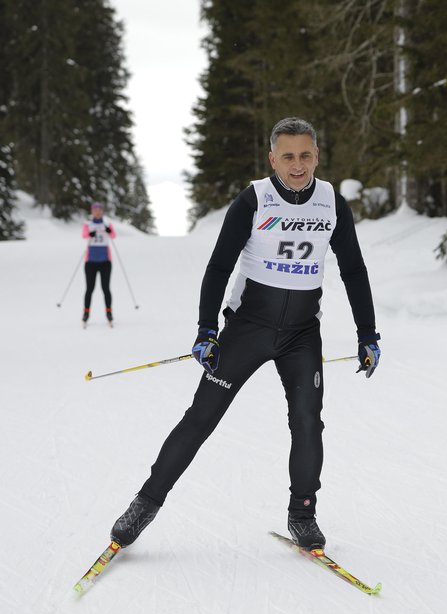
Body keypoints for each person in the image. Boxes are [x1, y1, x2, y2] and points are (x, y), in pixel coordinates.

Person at [109, 117, 381, 550]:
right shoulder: (254, 200)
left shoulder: (331, 202)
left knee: (308, 423)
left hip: (301, 335)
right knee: (201, 418)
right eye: (288, 156)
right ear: (272, 158)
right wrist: (206, 329)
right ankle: (144, 504)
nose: (297, 165)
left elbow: (354, 269)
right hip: (247, 329)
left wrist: (368, 334)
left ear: (317, 156)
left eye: (306, 155)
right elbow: (219, 266)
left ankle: (302, 514)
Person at [81, 202, 116, 326]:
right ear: (92, 211)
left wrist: (108, 230)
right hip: (90, 261)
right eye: (95, 210)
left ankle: (109, 312)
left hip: (105, 261)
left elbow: (113, 235)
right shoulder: (88, 224)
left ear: (102, 211)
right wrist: (90, 234)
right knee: (90, 288)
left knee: (105, 288)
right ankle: (86, 313)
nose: (97, 212)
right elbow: (84, 235)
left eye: (99, 209)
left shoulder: (106, 223)